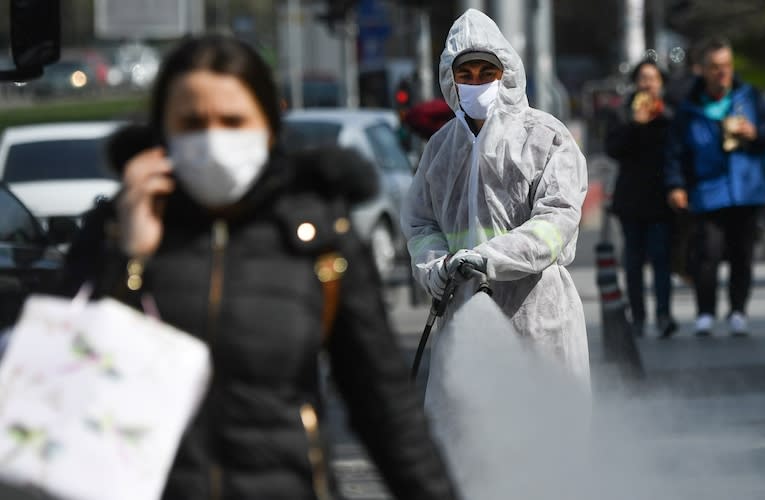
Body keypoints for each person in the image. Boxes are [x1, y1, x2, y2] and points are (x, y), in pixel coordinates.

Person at [59, 35, 459, 500]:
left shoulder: (316, 238)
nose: (212, 138)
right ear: (161, 132)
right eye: (191, 123)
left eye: (232, 121)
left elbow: (385, 407)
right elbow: (61, 383)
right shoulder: (113, 232)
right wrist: (129, 258)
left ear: (267, 127)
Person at [402, 8, 589, 398]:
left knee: (544, 437)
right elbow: (420, 224)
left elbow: (557, 218)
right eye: (465, 75)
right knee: (461, 441)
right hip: (462, 317)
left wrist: (490, 258)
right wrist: (435, 267)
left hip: (536, 318)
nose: (476, 83)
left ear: (506, 74)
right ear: (450, 79)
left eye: (487, 73)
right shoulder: (441, 148)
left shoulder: (544, 138)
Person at [664, 37, 765, 337]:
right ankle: (705, 313)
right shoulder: (689, 108)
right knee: (708, 255)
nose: (723, 73)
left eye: (727, 66)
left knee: (742, 254)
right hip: (708, 192)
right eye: (716, 67)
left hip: (746, 189)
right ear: (702, 70)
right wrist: (676, 184)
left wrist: (755, 132)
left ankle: (738, 311)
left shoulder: (748, 96)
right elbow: (675, 151)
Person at [604, 59, 677, 338]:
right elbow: (613, 148)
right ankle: (638, 316)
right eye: (643, 78)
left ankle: (663, 314)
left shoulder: (670, 115)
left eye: (653, 79)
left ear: (661, 84)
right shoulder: (621, 113)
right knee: (633, 261)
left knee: (661, 258)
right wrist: (635, 125)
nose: (648, 84)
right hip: (631, 198)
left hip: (661, 199)